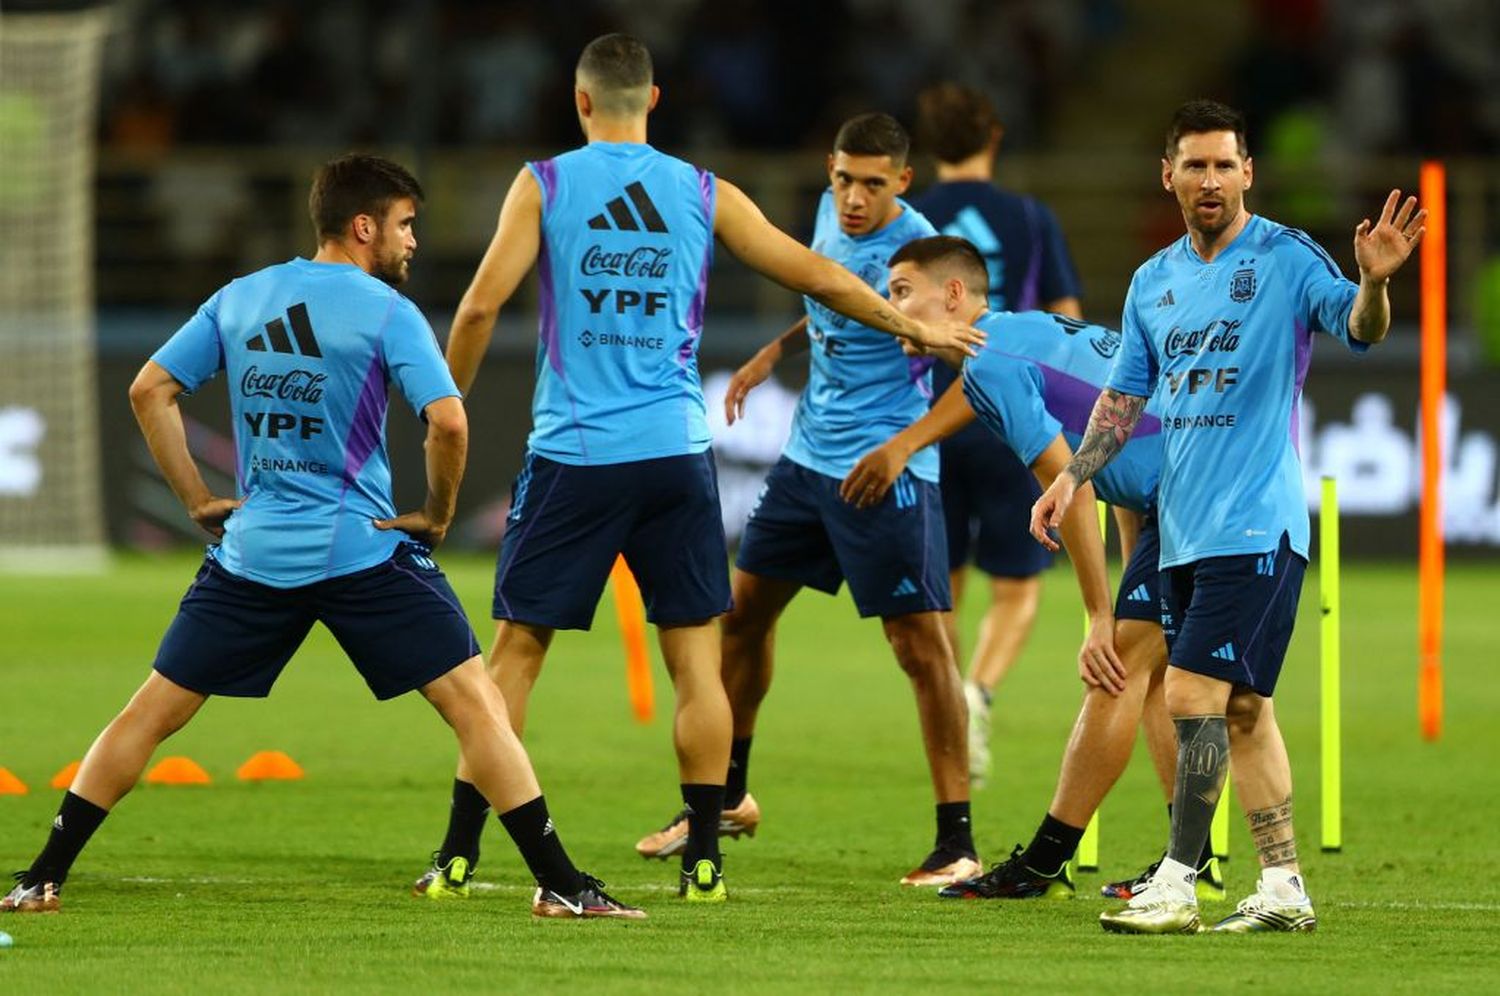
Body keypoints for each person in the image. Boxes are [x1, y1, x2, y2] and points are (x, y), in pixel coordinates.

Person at [0, 154, 642, 920]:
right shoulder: (385, 311)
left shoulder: (241, 298)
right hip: (360, 550)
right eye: (405, 224)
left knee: (151, 712)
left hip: (254, 553)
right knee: (477, 704)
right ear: (364, 225)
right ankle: (562, 886)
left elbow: (149, 389)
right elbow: (448, 419)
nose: (412, 241)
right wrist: (436, 516)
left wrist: (198, 498)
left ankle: (40, 877)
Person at [421, 36, 983, 904]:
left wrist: (446, 405)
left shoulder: (546, 183)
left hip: (575, 453)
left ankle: (459, 854)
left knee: (514, 658)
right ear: (655, 100)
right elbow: (821, 277)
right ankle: (706, 864)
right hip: (678, 458)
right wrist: (915, 326)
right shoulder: (703, 190)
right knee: (696, 662)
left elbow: (479, 304)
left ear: (580, 102)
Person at [1033, 100, 1424, 934]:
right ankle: (1283, 889)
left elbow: (1357, 329)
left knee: (1190, 689)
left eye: (1224, 165)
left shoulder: (1285, 257)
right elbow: (1123, 398)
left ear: (1248, 172)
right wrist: (1071, 480)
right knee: (1242, 710)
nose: (1209, 180)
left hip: (1258, 521)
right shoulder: (1153, 282)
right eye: (1194, 165)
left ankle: (1177, 880)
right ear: (1167, 174)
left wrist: (1376, 284)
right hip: (1183, 524)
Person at [637, 113, 982, 888]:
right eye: (842, 180)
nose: (853, 198)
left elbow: (974, 365)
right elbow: (830, 289)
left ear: (903, 182)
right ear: (829, 171)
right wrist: (774, 350)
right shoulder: (830, 217)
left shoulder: (925, 254)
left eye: (871, 184)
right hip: (804, 461)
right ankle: (725, 797)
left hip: (882, 470)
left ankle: (956, 840)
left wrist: (903, 445)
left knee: (922, 650)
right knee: (741, 618)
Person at [840, 235, 1221, 902]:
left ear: (954, 296)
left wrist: (1101, 615)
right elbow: (1122, 451)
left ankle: (1044, 864)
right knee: (1152, 679)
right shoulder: (1017, 335)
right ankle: (1194, 865)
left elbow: (1071, 485)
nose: (888, 306)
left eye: (900, 291)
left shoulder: (994, 368)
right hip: (1193, 482)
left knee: (1117, 668)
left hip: (1195, 493)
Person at [911, 83, 1085, 787]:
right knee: (1017, 586)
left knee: (943, 587)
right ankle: (978, 691)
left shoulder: (910, 215)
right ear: (995, 135)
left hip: (932, 420)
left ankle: (952, 703)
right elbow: (1066, 320)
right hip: (1014, 416)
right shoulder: (1031, 217)